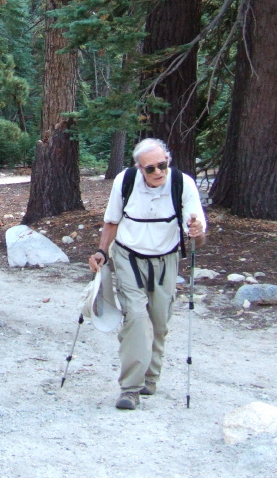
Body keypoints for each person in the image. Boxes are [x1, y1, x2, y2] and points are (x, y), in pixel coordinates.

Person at [88, 138, 206, 410]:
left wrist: (197, 233)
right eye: (150, 168)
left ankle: (150, 377)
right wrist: (101, 252)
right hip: (129, 256)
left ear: (168, 162)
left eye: (162, 165)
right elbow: (111, 221)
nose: (158, 173)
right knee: (137, 318)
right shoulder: (125, 181)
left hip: (166, 259)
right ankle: (131, 388)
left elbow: (198, 237)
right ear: (139, 168)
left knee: (159, 321)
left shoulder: (182, 184)